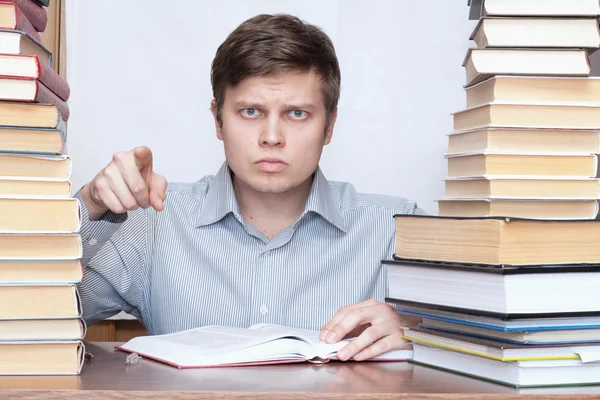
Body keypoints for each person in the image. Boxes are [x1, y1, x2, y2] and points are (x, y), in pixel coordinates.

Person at [76, 13, 422, 362]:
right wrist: (89, 206)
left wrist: (417, 333)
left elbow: (472, 344)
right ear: (218, 120)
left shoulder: (396, 229)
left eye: (297, 114)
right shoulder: (154, 222)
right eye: (252, 111)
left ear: (329, 126)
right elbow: (30, 318)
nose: (272, 137)